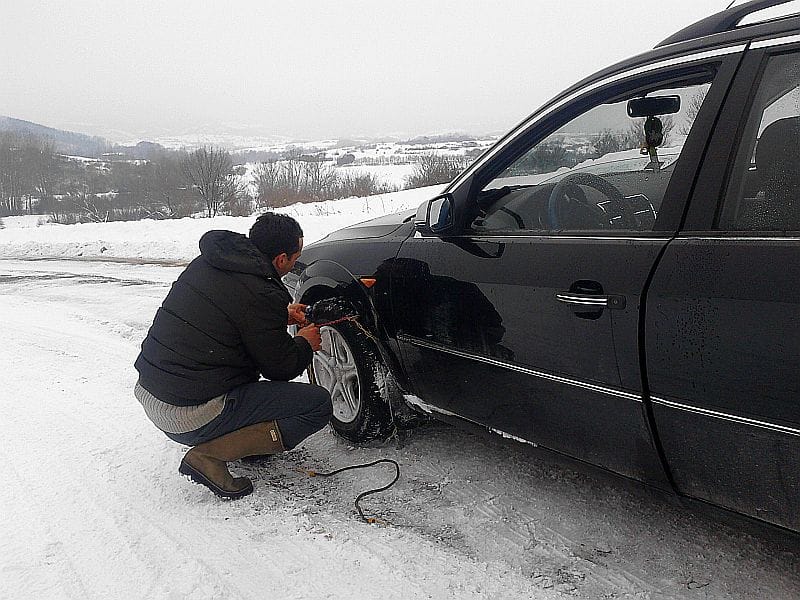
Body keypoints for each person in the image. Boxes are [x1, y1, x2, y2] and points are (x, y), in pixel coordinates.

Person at [133, 212, 332, 499]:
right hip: (189, 414)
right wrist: (304, 343)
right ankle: (209, 456)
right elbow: (281, 367)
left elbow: (229, 313)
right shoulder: (260, 292)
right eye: (293, 258)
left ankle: (246, 442)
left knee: (255, 391)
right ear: (280, 259)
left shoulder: (214, 262)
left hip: (156, 392)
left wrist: (277, 315)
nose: (292, 266)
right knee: (316, 404)